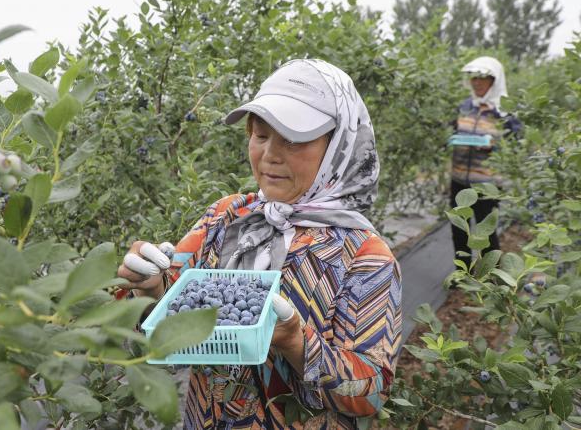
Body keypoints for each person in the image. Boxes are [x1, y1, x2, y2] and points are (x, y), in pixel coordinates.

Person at [117, 59, 402, 429]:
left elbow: (370, 393)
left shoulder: (365, 258)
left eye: (294, 140)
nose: (270, 155)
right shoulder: (225, 217)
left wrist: (295, 342)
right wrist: (148, 289)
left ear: (338, 148)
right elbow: (161, 331)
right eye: (261, 135)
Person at [449, 56, 522, 268]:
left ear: (495, 81)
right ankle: (462, 274)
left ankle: (491, 278)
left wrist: (495, 145)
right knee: (459, 228)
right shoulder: (465, 107)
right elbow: (455, 130)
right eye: (474, 78)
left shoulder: (505, 113)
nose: (477, 82)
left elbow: (515, 145)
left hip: (486, 183)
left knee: (486, 230)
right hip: (459, 178)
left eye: (483, 78)